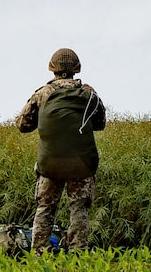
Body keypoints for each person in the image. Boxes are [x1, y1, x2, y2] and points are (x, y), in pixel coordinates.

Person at [15, 48, 106, 252]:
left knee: (45, 208)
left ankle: (39, 252)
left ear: (52, 68)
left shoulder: (43, 93)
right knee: (79, 209)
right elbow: (100, 123)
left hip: (50, 164)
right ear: (77, 69)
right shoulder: (89, 93)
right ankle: (77, 252)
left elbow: (23, 125)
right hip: (81, 164)